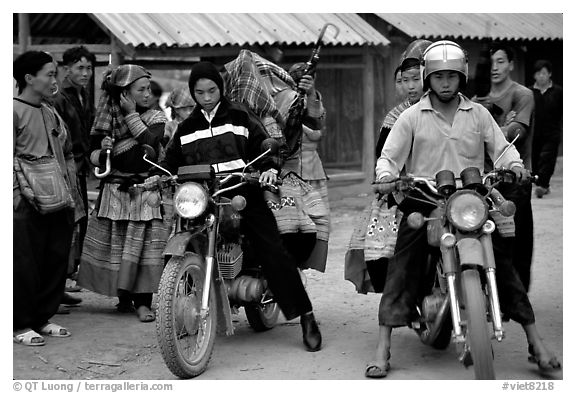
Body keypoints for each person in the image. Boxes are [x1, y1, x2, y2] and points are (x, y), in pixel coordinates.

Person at [366, 40, 560, 378]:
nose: (445, 82)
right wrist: (386, 176)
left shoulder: (479, 114)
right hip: (426, 199)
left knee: (503, 264)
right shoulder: (412, 117)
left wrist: (514, 165)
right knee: (403, 264)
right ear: (428, 77)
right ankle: (383, 346)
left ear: (462, 78)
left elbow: (502, 151)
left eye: (451, 76)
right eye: (438, 76)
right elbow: (389, 157)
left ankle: (536, 340)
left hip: (471, 199)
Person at [155, 61, 322, 351]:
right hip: (203, 196)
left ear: (220, 88)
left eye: (212, 90)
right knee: (181, 238)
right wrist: (156, 174)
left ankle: (306, 315)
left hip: (242, 191)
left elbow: (263, 143)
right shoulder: (186, 127)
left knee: (272, 250)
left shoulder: (239, 116)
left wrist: (269, 166)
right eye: (200, 92)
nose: (207, 97)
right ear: (193, 93)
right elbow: (169, 161)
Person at [77, 64, 171, 323]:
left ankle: (143, 303)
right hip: (115, 191)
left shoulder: (155, 117)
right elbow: (93, 156)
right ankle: (124, 299)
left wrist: (131, 115)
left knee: (143, 249)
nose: (147, 94)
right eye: (140, 90)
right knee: (118, 247)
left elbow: (150, 146)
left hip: (144, 192)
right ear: (123, 94)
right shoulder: (105, 122)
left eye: (148, 89)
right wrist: (104, 150)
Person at [13, 51, 78, 345]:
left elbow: (63, 155)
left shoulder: (49, 111)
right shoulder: (12, 110)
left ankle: (42, 318)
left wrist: (70, 195)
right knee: (24, 264)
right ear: (29, 78)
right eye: (49, 74)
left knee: (54, 259)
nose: (55, 80)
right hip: (24, 202)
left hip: (57, 198)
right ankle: (19, 323)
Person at [478, 44, 535, 292]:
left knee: (516, 238)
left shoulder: (522, 94)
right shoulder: (476, 97)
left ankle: (517, 294)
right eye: (491, 62)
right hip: (480, 176)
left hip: (513, 178)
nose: (495, 67)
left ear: (511, 64)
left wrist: (493, 131)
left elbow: (517, 131)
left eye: (501, 61)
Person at [271, 62, 330, 272]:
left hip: (312, 172)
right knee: (289, 226)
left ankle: (304, 267)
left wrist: (311, 93)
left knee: (317, 223)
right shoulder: (280, 99)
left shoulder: (313, 99)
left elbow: (317, 126)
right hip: (287, 171)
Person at [53, 45, 96, 305]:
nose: (86, 73)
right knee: (64, 230)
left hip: (79, 169)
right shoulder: (58, 96)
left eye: (89, 68)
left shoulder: (82, 95)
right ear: (66, 69)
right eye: (80, 68)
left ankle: (59, 287)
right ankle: (53, 293)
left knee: (75, 227)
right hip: (65, 169)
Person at [530, 60, 563, 198]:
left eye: (544, 73)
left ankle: (542, 186)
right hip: (534, 133)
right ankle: (544, 184)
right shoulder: (529, 92)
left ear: (549, 74)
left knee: (547, 159)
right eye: (538, 73)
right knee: (536, 161)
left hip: (552, 133)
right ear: (534, 76)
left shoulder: (558, 92)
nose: (541, 76)